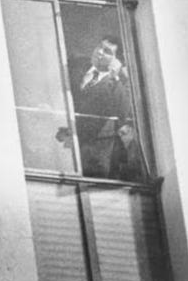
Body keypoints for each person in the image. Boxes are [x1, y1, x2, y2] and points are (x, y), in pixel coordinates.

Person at [58, 35, 138, 179]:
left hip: (96, 149)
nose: (99, 52)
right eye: (99, 47)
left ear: (117, 61)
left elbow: (122, 112)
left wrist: (115, 77)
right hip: (65, 143)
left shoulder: (120, 83)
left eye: (107, 51)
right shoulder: (76, 68)